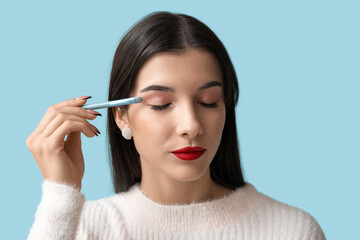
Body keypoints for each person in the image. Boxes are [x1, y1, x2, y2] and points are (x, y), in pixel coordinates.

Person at [26, 11, 326, 239]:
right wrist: (60, 193)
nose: (191, 126)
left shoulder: (290, 230)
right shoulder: (80, 227)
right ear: (121, 116)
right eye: (160, 104)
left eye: (208, 101)